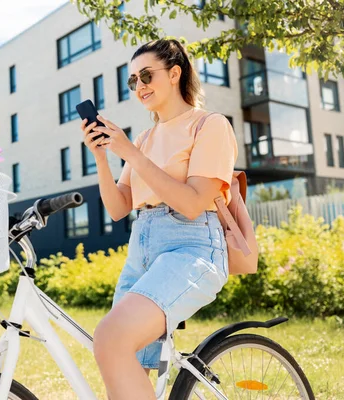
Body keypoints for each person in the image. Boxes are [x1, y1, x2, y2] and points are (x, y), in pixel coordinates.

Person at [80, 38, 237, 399]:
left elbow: (195, 203)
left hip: (191, 247)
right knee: (120, 361)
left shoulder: (209, 125)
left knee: (110, 338)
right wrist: (103, 156)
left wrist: (131, 154)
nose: (140, 86)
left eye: (147, 75)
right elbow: (119, 207)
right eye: (133, 80)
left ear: (175, 73)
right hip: (142, 251)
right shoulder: (146, 138)